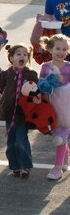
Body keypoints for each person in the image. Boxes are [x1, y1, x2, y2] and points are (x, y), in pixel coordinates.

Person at [0, 44, 38, 179]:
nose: (22, 56)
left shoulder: (31, 74)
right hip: (9, 112)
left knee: (21, 140)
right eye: (18, 54)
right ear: (11, 58)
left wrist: (37, 97)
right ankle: (15, 166)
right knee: (11, 142)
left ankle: (26, 166)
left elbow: (37, 90)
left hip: (23, 113)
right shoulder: (6, 74)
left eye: (25, 54)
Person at [39, 35, 70, 180]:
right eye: (58, 48)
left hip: (67, 110)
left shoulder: (69, 67)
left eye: (64, 49)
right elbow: (42, 86)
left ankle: (57, 168)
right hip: (52, 109)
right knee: (59, 136)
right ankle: (66, 155)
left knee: (60, 137)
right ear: (50, 49)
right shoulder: (45, 67)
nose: (61, 52)